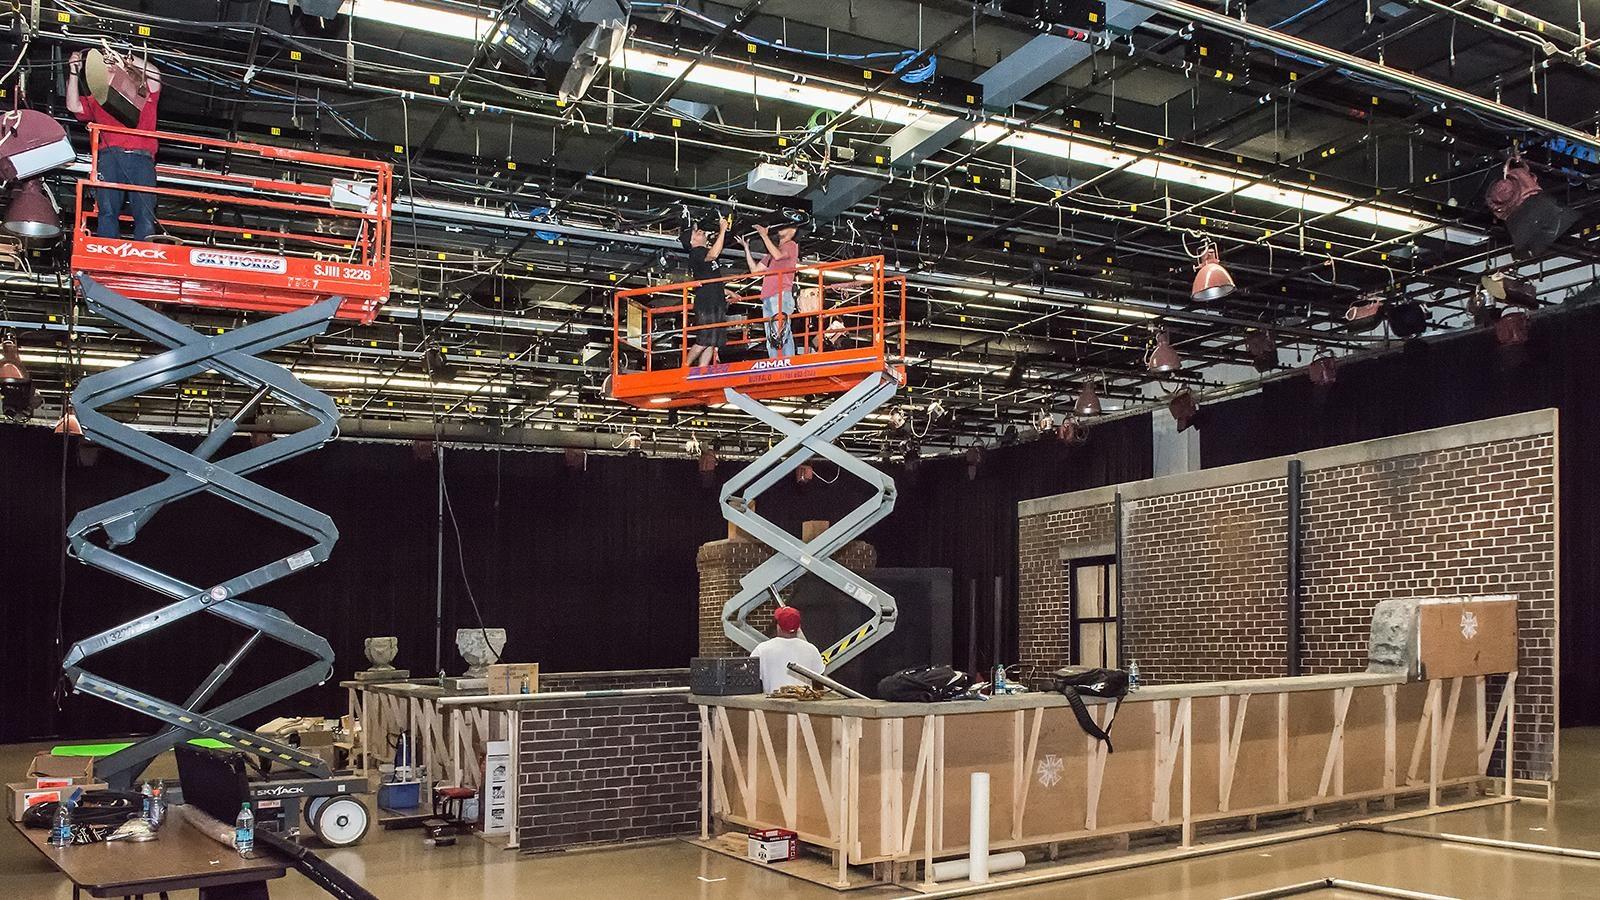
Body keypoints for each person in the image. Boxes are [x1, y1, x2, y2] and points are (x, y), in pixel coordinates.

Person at [66, 47, 162, 241]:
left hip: (142, 158)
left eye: (111, 70)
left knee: (145, 212)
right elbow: (73, 105)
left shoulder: (144, 94)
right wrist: (74, 72)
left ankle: (145, 252)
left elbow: (155, 74)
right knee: (107, 209)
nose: (107, 73)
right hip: (111, 156)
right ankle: (107, 247)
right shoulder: (100, 99)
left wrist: (126, 58)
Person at [737, 222, 799, 358]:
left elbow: (778, 256)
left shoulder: (791, 245)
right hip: (770, 296)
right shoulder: (772, 253)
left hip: (780, 293)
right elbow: (754, 270)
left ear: (792, 231)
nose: (780, 228)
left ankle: (786, 361)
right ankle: (776, 361)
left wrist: (764, 236)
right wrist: (746, 248)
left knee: (781, 331)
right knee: (772, 332)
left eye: (785, 226)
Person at [680, 214, 730, 368]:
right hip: (707, 303)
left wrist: (726, 291)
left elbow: (711, 280)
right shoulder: (697, 252)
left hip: (713, 300)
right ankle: (685, 366)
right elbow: (713, 254)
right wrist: (722, 231)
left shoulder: (702, 253)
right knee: (704, 339)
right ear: (692, 241)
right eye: (696, 233)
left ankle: (702, 370)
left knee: (712, 341)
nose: (700, 232)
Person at [750, 605, 824, 694]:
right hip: (804, 705)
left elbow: (752, 681)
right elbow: (820, 683)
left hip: (772, 705)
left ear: (778, 626)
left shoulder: (761, 650)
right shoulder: (811, 650)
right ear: (799, 626)